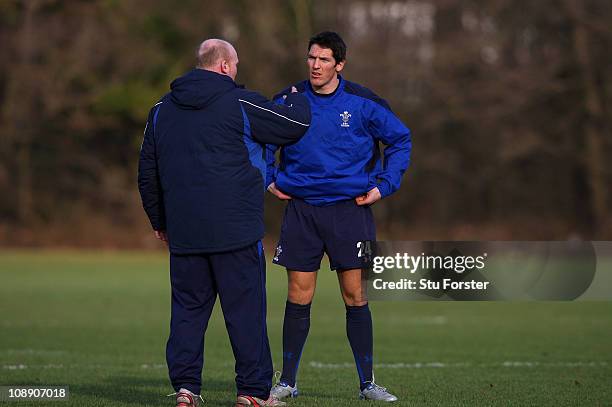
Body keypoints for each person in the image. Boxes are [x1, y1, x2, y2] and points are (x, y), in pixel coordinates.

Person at [138, 38, 311, 407]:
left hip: (185, 233)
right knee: (245, 314)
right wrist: (296, 96)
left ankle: (186, 389)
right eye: (235, 66)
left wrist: (159, 219)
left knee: (187, 313)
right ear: (223, 66)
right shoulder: (239, 101)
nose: (236, 73)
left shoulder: (160, 110)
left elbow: (147, 172)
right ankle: (252, 392)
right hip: (236, 230)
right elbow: (293, 124)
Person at [266, 31, 411, 402]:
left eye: (324, 60)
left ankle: (367, 384)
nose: (315, 65)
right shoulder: (288, 100)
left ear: (340, 65)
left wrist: (385, 184)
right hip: (302, 210)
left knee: (355, 293)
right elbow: (261, 138)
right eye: (311, 58)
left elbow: (400, 140)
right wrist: (268, 178)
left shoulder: (364, 102)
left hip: (350, 210)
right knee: (299, 294)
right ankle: (287, 382)